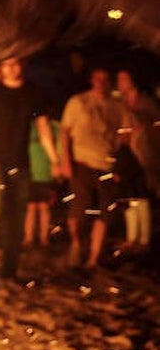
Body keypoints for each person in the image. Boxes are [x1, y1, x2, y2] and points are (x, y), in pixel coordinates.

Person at [0, 57, 60, 282]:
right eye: (6, 64)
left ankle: (9, 271)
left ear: (22, 66)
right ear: (0, 68)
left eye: (15, 63)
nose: (11, 68)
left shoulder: (33, 93)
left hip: (20, 163)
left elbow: (44, 129)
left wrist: (55, 160)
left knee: (17, 219)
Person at [58, 67, 133, 269]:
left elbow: (126, 134)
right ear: (92, 80)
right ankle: (76, 243)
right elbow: (65, 133)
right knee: (79, 208)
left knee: (105, 212)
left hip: (106, 165)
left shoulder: (117, 106)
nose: (101, 82)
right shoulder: (78, 102)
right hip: (81, 162)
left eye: (105, 79)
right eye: (98, 78)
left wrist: (119, 160)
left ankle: (93, 258)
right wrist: (64, 160)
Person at [115, 68, 159, 251]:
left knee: (143, 196)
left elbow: (154, 126)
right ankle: (132, 238)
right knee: (129, 197)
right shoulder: (119, 104)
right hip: (127, 158)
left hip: (145, 156)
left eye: (123, 78)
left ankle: (144, 239)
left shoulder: (146, 103)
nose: (119, 83)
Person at [24, 117, 61, 251]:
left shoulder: (55, 126)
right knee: (31, 207)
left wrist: (58, 166)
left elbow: (60, 147)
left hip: (46, 173)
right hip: (30, 174)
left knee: (44, 207)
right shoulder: (29, 126)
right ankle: (28, 239)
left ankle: (44, 239)